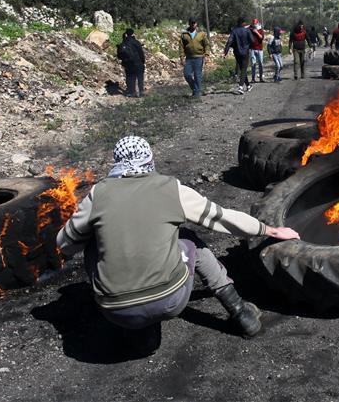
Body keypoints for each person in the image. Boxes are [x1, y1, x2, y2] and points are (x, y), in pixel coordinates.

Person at [56, 136, 300, 349]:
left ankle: (138, 328)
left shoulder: (98, 194)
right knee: (190, 240)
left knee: (90, 244)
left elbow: (65, 243)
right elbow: (222, 218)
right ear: (149, 158)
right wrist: (270, 230)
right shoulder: (171, 189)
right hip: (172, 300)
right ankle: (240, 312)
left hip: (115, 311)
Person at [223, 17, 255, 94]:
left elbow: (229, 41)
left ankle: (248, 85)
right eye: (245, 23)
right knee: (244, 69)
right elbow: (252, 40)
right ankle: (240, 87)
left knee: (242, 69)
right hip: (245, 53)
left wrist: (225, 52)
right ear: (243, 23)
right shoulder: (247, 30)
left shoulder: (234, 31)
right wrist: (248, 45)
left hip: (237, 53)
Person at [180, 18, 209, 97]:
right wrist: (182, 57)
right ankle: (195, 88)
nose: (193, 24)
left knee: (197, 75)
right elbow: (181, 47)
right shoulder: (184, 34)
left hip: (199, 57)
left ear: (196, 23)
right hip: (189, 58)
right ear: (189, 23)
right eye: (191, 23)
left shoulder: (201, 34)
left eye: (194, 23)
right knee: (187, 74)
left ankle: (196, 94)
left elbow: (206, 45)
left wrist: (206, 55)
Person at [116, 29, 146, 98]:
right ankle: (141, 92)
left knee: (130, 77)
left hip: (128, 64)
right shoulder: (136, 42)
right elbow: (141, 53)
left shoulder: (123, 43)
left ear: (126, 34)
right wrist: (143, 61)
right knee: (140, 77)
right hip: (137, 62)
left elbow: (120, 55)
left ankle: (131, 92)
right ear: (133, 34)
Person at [248, 18, 265, 83]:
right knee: (253, 64)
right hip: (252, 49)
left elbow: (261, 37)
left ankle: (261, 77)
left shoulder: (260, 30)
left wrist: (256, 32)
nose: (254, 25)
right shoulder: (250, 29)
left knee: (260, 63)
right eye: (253, 23)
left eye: (255, 23)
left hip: (260, 49)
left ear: (258, 23)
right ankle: (253, 78)